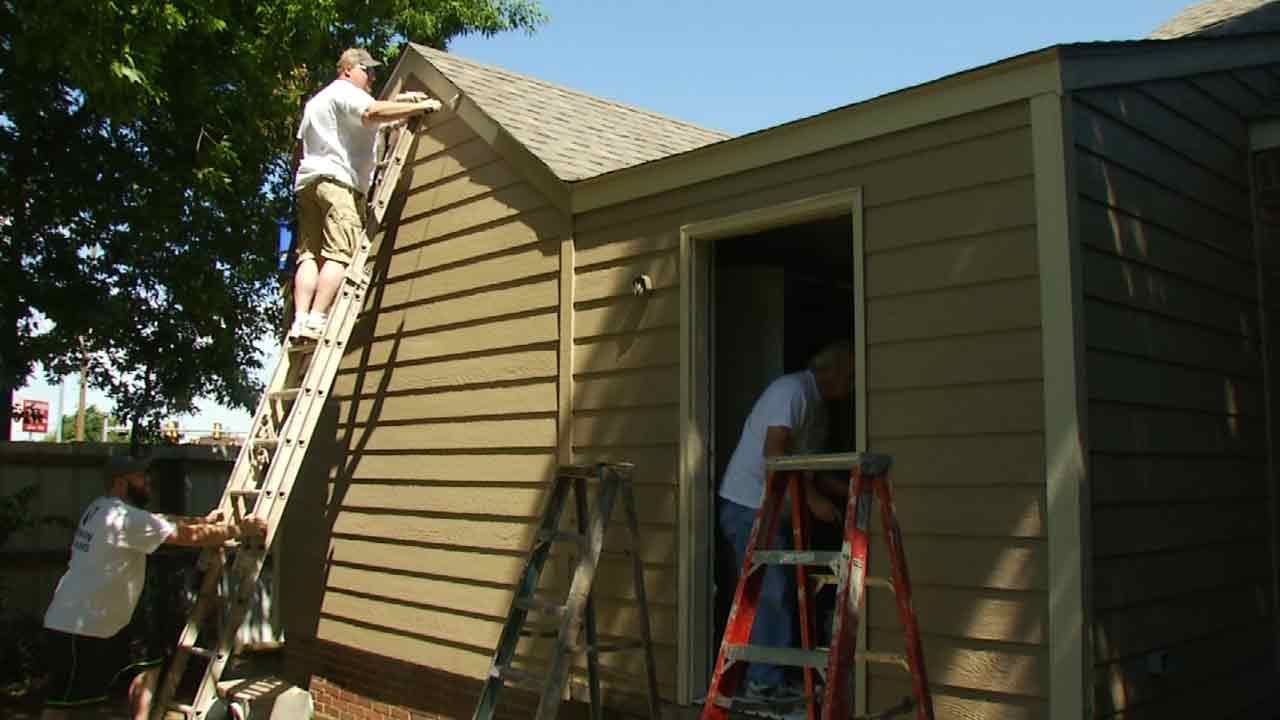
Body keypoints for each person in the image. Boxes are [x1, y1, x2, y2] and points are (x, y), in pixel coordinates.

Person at [41, 456, 267, 720]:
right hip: (78, 628)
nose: (147, 482)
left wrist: (202, 520)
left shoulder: (103, 508)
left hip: (102, 623)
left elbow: (161, 520)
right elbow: (185, 537)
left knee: (148, 663)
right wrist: (239, 529)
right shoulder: (124, 520)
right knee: (64, 708)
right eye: (140, 477)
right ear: (121, 483)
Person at [717, 340, 855, 708]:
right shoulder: (791, 392)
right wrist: (812, 502)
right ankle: (763, 684)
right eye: (851, 375)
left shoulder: (816, 407)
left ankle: (770, 677)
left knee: (779, 593)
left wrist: (848, 489)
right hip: (748, 505)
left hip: (772, 508)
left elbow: (807, 467)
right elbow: (775, 455)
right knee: (771, 593)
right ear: (831, 371)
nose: (853, 385)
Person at [289, 47, 444, 339]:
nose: (372, 77)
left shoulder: (317, 101)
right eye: (367, 71)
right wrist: (419, 108)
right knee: (341, 253)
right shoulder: (346, 92)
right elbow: (372, 112)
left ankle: (301, 319)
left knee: (308, 256)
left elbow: (305, 147)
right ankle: (318, 318)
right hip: (338, 184)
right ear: (348, 69)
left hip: (309, 183)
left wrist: (397, 102)